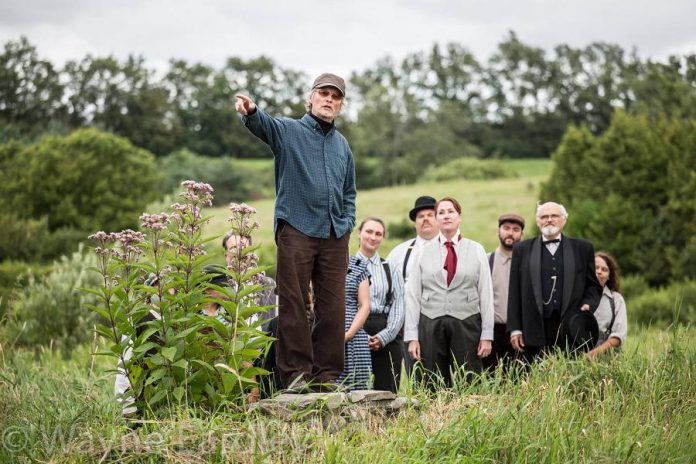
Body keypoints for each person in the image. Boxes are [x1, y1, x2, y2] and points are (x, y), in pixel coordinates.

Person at [235, 73, 356, 390]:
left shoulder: (343, 146)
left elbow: (349, 193)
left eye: (336, 96)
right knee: (293, 305)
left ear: (340, 104)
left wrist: (346, 224)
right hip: (297, 229)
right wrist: (251, 111)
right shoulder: (289, 131)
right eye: (324, 93)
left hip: (334, 234)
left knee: (333, 308)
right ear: (312, 98)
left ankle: (327, 376)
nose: (329, 99)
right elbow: (265, 125)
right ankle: (296, 376)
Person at [405, 197, 494, 387]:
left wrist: (487, 335)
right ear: (437, 219)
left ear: (459, 217)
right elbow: (413, 296)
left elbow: (486, 294)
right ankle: (435, 415)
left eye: (451, 211)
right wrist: (412, 337)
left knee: (470, 379)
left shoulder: (476, 249)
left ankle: (471, 413)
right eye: (441, 212)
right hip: (430, 321)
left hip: (467, 321)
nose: (446, 216)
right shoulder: (422, 252)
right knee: (432, 380)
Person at [507, 202, 602, 361]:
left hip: (571, 328)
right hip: (533, 328)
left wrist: (589, 304)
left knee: (568, 379)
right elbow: (514, 292)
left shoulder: (583, 248)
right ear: (538, 222)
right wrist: (515, 328)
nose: (549, 220)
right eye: (544, 216)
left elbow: (593, 286)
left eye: (554, 216)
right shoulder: (521, 250)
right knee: (534, 380)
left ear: (564, 220)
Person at [386, 195, 438, 375]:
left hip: (440, 323)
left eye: (430, 215)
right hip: (408, 324)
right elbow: (388, 287)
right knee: (414, 373)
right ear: (415, 222)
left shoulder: (450, 250)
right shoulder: (399, 252)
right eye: (420, 216)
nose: (425, 219)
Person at [356, 217, 405, 393]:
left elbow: (399, 305)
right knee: (356, 389)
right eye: (369, 231)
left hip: (386, 330)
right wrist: (359, 336)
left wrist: (385, 336)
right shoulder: (346, 266)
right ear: (359, 233)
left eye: (378, 234)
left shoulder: (391, 268)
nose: (373, 237)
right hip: (356, 329)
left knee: (388, 389)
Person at [482, 213, 525, 372]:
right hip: (493, 330)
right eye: (506, 228)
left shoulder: (527, 263)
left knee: (519, 379)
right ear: (498, 231)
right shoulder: (487, 261)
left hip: (520, 331)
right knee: (488, 377)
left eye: (515, 229)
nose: (510, 233)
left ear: (521, 234)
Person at [338, 255, 372, 390]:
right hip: (325, 335)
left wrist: (349, 334)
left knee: (359, 389)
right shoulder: (317, 262)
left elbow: (365, 305)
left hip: (354, 337)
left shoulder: (358, 265)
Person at [587, 252, 628, 360]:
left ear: (609, 276)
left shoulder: (617, 300)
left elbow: (618, 336)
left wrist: (593, 354)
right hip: (575, 360)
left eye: (604, 269)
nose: (599, 271)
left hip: (606, 360)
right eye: (596, 267)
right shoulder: (574, 296)